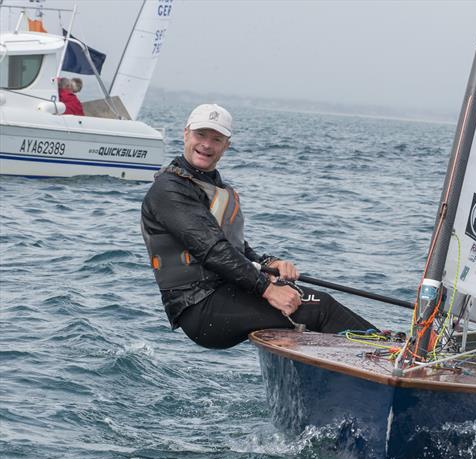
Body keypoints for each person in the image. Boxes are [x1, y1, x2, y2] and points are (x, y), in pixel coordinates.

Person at [141, 103, 375, 349]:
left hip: (224, 293)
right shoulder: (169, 189)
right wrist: (267, 289)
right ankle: (390, 357)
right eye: (200, 135)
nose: (206, 145)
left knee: (304, 299)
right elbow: (213, 250)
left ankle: (376, 355)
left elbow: (234, 248)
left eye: (216, 138)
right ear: (186, 133)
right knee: (321, 308)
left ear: (226, 145)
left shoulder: (210, 186)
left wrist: (268, 264)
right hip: (199, 308)